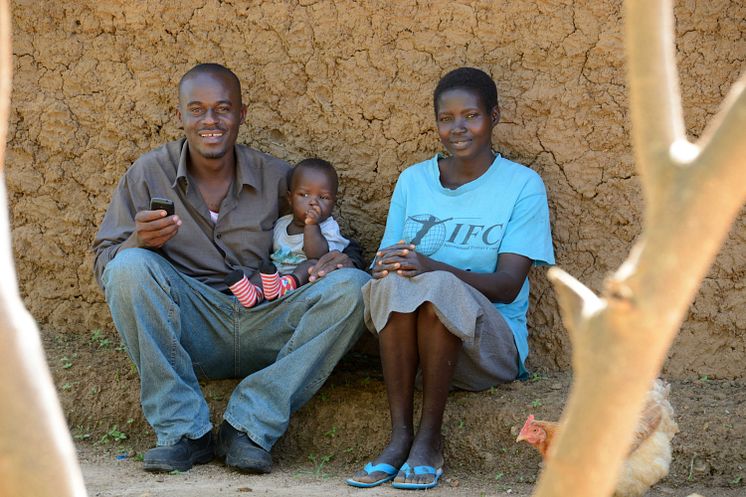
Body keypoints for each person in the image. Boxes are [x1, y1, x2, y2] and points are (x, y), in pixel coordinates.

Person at [92, 63, 369, 475]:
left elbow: (330, 234)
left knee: (354, 287)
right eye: (197, 109)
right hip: (192, 326)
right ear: (181, 115)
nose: (210, 121)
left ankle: (249, 425)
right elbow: (107, 264)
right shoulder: (149, 173)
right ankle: (183, 431)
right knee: (130, 267)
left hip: (269, 319)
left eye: (223, 109)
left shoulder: (276, 176)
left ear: (241, 114)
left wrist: (346, 259)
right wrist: (139, 241)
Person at [346, 67, 554, 490]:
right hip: (416, 357)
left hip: (488, 349)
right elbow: (386, 260)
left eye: (471, 116)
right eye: (446, 118)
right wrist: (390, 267)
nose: (457, 128)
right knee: (391, 284)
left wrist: (433, 267)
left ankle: (428, 440)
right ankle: (399, 436)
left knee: (437, 287)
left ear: (493, 117)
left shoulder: (521, 186)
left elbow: (508, 285)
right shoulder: (413, 181)